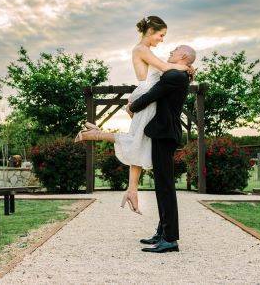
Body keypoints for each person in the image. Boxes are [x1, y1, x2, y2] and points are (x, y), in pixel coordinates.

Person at [74, 16, 193, 215]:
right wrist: (186, 67)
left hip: (148, 95)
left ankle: (132, 189)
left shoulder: (147, 51)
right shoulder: (141, 49)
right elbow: (165, 69)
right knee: (137, 140)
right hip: (146, 94)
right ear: (151, 31)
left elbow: (165, 69)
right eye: (161, 35)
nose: (162, 39)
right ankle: (94, 135)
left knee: (139, 142)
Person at [129, 44, 196, 253]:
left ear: (183, 55)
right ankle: (162, 232)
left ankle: (170, 239)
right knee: (162, 185)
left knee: (165, 186)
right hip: (164, 133)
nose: (170, 52)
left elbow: (152, 95)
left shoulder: (175, 76)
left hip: (165, 134)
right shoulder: (177, 74)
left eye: (175, 50)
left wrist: (132, 106)